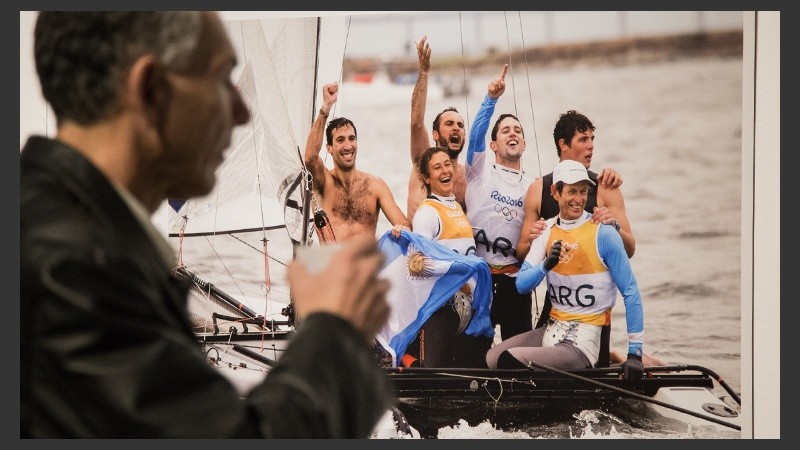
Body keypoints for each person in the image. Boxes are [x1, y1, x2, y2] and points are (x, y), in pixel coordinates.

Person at [21, 11, 394, 438]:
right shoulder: (75, 275)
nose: (239, 112)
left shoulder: (57, 231)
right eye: (222, 79)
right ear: (151, 90)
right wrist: (334, 331)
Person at [485, 159, 645, 383]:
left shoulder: (604, 234)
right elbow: (522, 285)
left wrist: (634, 353)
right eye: (571, 191)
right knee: (491, 359)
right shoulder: (547, 230)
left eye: (583, 192)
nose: (578, 199)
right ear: (555, 192)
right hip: (553, 331)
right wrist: (545, 265)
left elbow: (631, 291)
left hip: (583, 341)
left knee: (508, 361)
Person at [516, 109, 649, 367]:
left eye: (592, 139)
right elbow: (521, 252)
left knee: (596, 363)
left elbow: (630, 249)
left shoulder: (605, 186)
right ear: (563, 145)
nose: (590, 147)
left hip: (594, 310)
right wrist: (534, 240)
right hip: (556, 305)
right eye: (583, 140)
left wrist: (614, 225)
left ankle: (624, 361)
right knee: (533, 362)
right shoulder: (538, 189)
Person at [402, 146, 486, 368]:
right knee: (434, 377)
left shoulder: (457, 207)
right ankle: (407, 360)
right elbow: (415, 266)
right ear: (427, 178)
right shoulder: (427, 212)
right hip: (440, 309)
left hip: (466, 310)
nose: (444, 171)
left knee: (468, 376)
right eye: (436, 168)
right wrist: (456, 267)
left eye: (447, 164)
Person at [305, 81, 410, 241]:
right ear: (329, 148)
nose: (348, 145)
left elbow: (405, 226)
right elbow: (310, 157)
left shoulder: (375, 185)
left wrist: (401, 229)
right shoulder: (323, 182)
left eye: (351, 139)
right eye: (340, 140)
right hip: (335, 265)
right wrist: (325, 108)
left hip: (367, 265)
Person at [407, 35, 467, 222]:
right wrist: (424, 72)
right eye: (449, 124)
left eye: (460, 125)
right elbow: (416, 123)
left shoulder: (468, 176)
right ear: (435, 134)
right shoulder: (422, 163)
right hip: (421, 247)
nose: (456, 128)